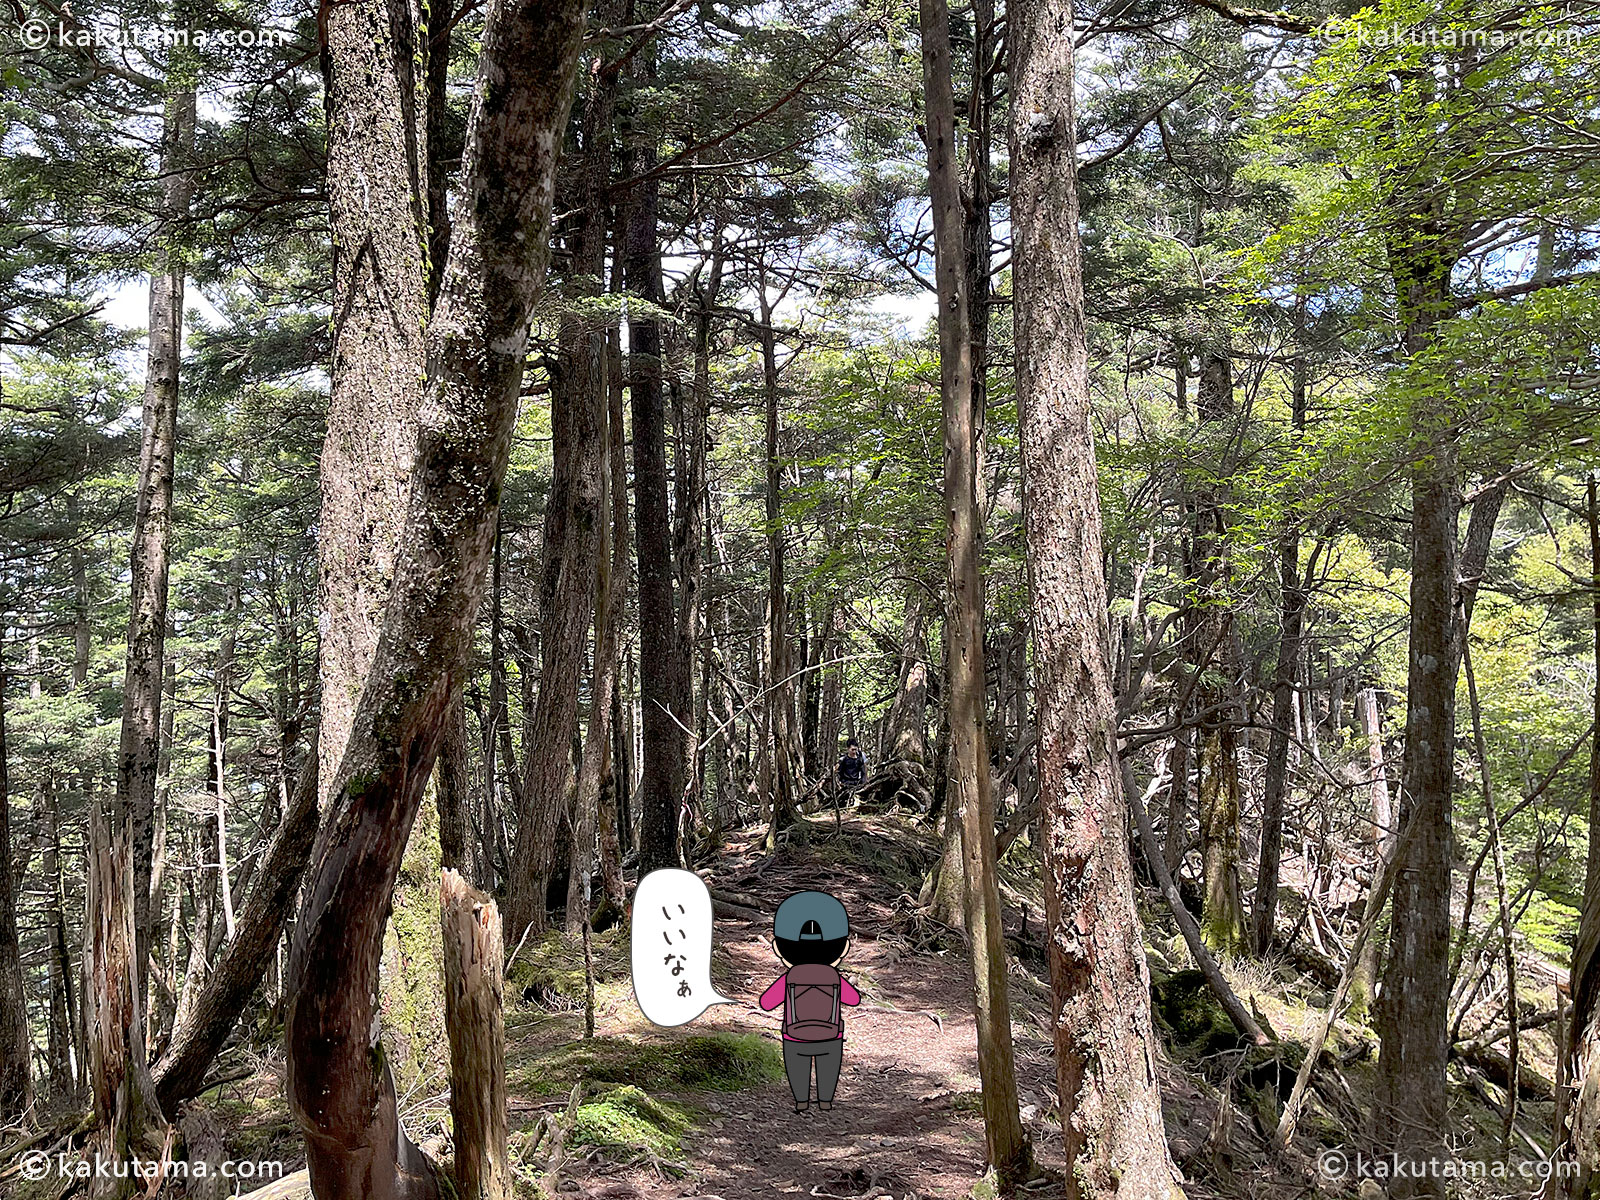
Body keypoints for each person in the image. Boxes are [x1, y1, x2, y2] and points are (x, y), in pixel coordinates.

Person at [757, 891, 860, 1113]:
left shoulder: (789, 977)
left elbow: (766, 1003)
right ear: (842, 949)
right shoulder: (835, 977)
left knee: (798, 1070)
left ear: (779, 948)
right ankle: (825, 1102)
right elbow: (854, 999)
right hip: (831, 1036)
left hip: (794, 1037)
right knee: (828, 1070)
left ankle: (801, 1102)